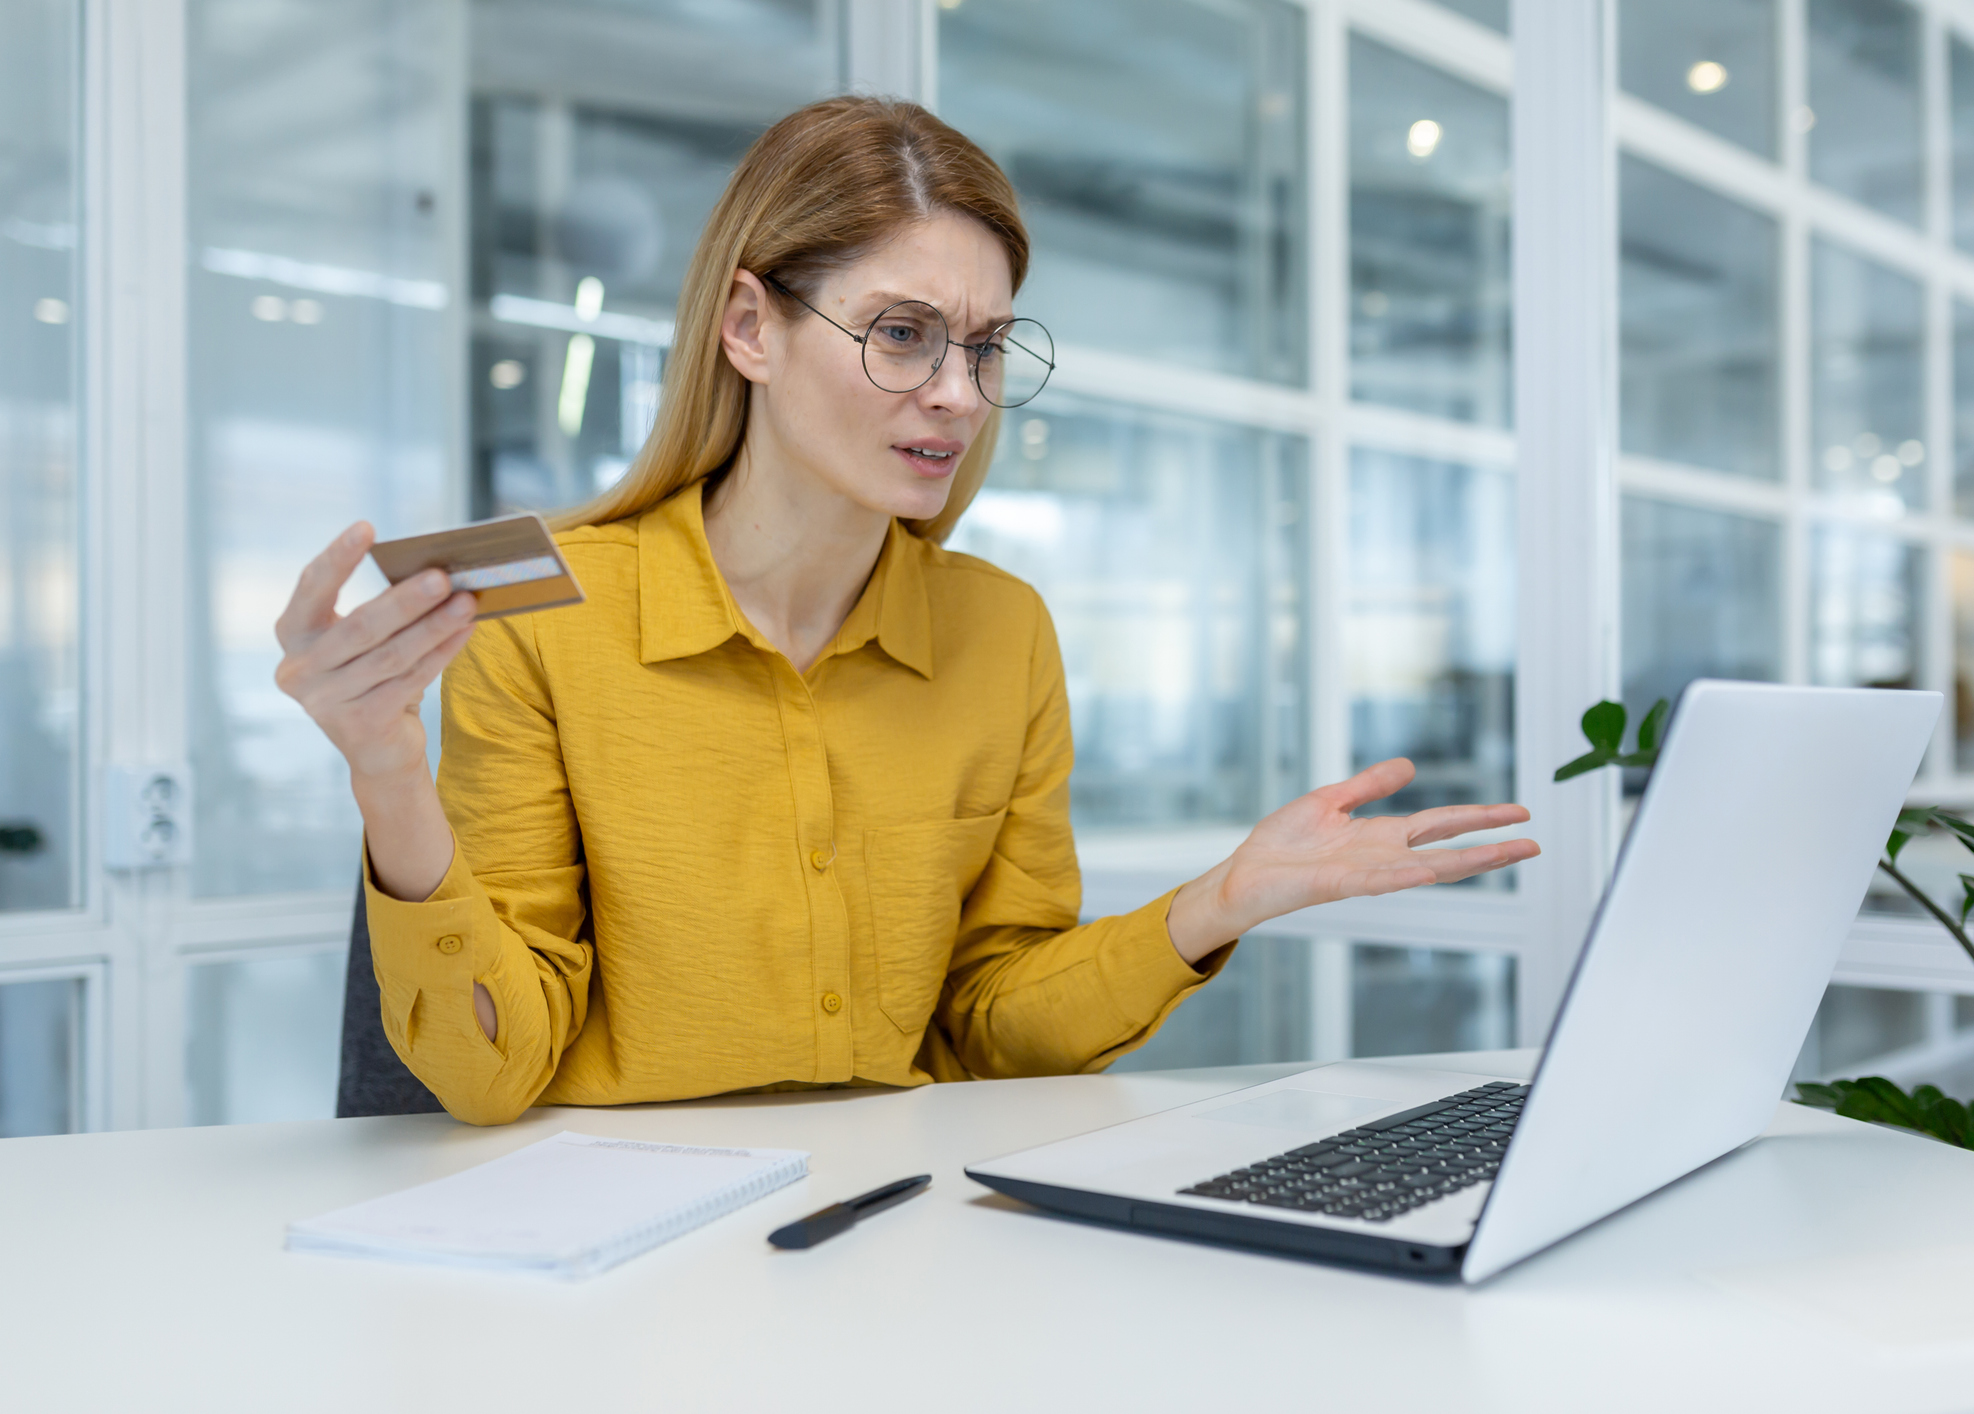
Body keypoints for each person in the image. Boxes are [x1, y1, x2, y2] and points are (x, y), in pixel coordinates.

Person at [273, 97, 1539, 1127]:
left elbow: (993, 1027)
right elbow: (494, 1071)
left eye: (984, 347)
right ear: (751, 326)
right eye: (901, 333)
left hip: (898, 1226)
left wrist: (1221, 901)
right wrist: (390, 775)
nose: (957, 394)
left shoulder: (1002, 633)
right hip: (614, 1256)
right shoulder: (546, 618)